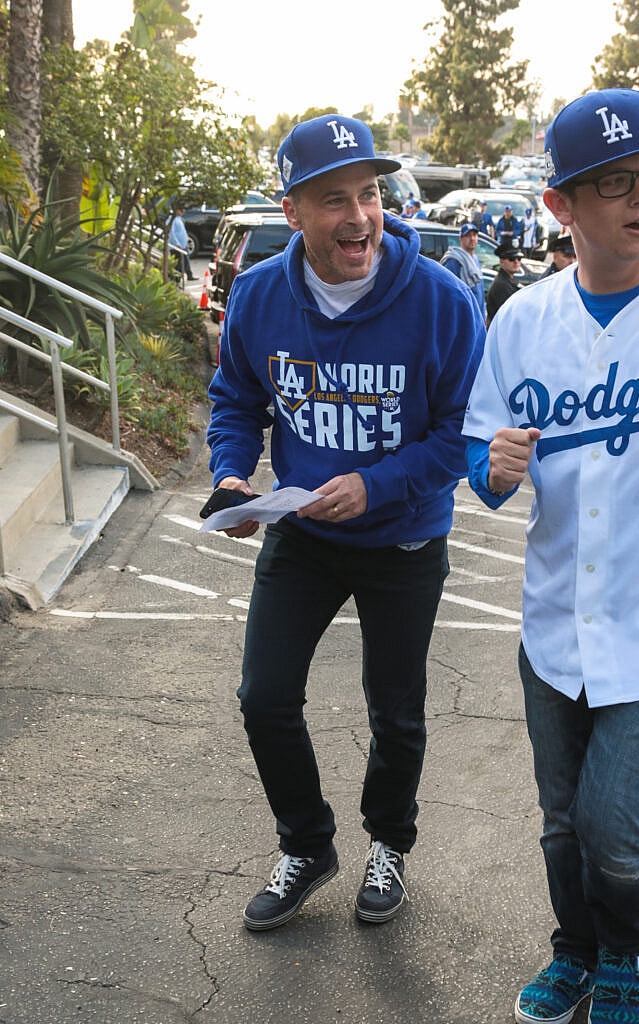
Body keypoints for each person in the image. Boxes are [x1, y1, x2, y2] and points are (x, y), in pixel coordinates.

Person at [462, 87, 639, 1024]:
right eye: (611, 181)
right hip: (554, 622)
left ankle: (629, 950)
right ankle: (574, 951)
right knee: (562, 823)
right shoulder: (524, 322)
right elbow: (481, 465)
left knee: (615, 823)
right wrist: (490, 468)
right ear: (560, 207)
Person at [206, 114, 484, 932]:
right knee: (263, 698)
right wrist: (231, 474)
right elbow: (236, 400)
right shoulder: (260, 294)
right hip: (303, 534)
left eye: (369, 194)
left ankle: (388, 843)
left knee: (394, 710)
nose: (361, 216)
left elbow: (463, 432)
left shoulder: (440, 300)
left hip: (404, 540)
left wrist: (379, 484)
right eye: (335, 200)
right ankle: (308, 844)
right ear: (293, 212)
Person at [440, 222, 485, 315]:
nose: (472, 238)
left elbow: (480, 290)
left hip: (477, 314)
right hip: (464, 314)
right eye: (468, 236)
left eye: (474, 235)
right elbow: (450, 292)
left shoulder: (475, 259)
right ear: (461, 239)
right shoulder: (454, 260)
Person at [485, 241, 522, 326]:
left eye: (519, 258)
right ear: (502, 262)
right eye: (511, 259)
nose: (516, 262)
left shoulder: (510, 280)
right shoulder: (501, 285)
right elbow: (511, 314)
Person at [167, 203, 195, 281]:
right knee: (179, 264)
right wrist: (177, 243)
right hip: (177, 246)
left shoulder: (179, 219)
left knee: (185, 261)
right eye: (181, 210)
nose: (183, 212)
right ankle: (177, 278)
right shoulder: (171, 220)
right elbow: (171, 233)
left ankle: (189, 275)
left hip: (183, 245)